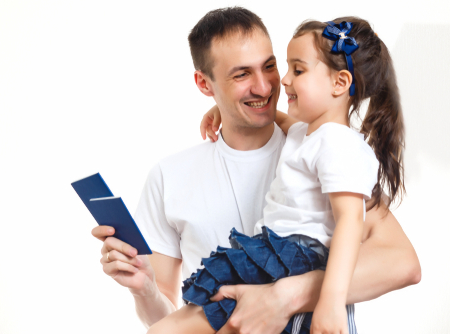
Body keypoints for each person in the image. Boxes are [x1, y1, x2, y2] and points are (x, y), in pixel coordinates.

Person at [91, 7, 420, 334]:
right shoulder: (169, 176)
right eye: (241, 75)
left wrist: (285, 296)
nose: (265, 87)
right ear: (205, 84)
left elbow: (403, 264)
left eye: (271, 66)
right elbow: (164, 321)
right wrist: (144, 287)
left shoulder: (324, 149)